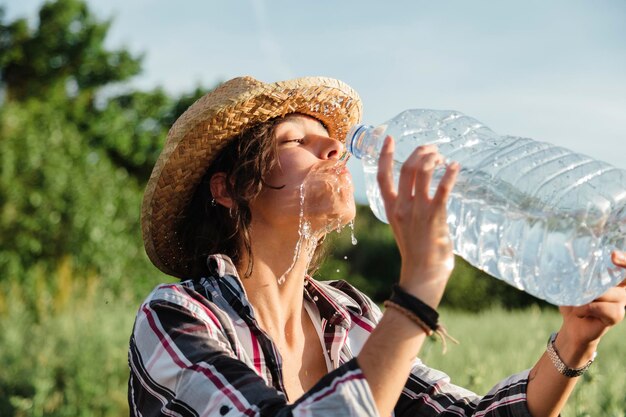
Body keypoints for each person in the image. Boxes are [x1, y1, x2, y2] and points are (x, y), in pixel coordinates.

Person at [129, 76, 626, 417]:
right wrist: (417, 291)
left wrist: (575, 339)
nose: (333, 148)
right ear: (229, 189)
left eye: (330, 138)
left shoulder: (350, 317)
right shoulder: (178, 318)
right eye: (295, 140)